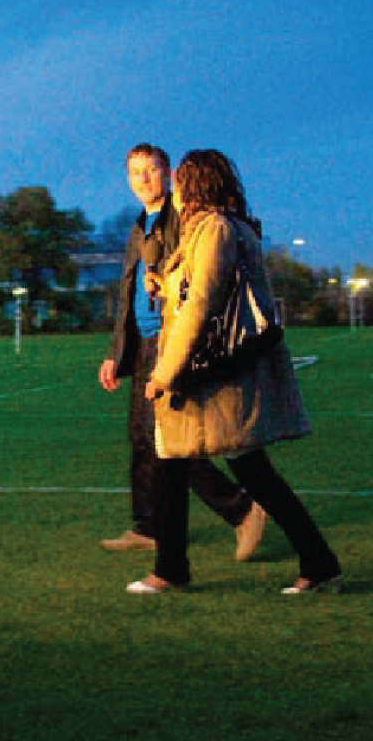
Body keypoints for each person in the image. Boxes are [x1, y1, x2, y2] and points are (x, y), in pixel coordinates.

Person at [133, 148, 343, 595]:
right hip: (216, 374)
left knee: (249, 470)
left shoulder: (215, 229)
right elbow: (195, 289)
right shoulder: (219, 227)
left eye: (181, 182)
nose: (174, 190)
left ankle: (318, 564)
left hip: (215, 377)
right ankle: (170, 569)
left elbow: (202, 304)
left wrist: (164, 373)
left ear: (196, 185)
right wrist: (164, 284)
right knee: (179, 461)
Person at [97, 143, 266, 559]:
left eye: (151, 171)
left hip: (173, 340)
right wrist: (115, 355)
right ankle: (149, 526)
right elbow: (128, 295)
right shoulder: (140, 226)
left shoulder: (185, 217)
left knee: (171, 442)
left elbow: (196, 280)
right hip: (144, 343)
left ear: (169, 173)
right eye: (134, 172)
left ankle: (241, 507)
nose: (143, 180)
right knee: (141, 438)